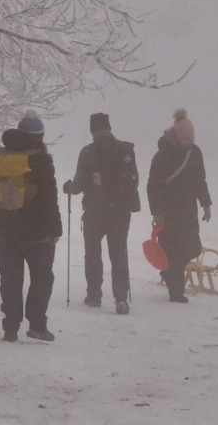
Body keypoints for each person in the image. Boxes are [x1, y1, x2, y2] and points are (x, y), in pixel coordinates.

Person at [0, 109, 62, 342]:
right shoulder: (40, 160)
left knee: (10, 278)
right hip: (36, 231)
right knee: (42, 276)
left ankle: (10, 327)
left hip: (4, 229)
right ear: (40, 137)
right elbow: (50, 197)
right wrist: (56, 229)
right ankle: (37, 325)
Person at [63, 112, 140, 314]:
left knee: (93, 253)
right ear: (109, 128)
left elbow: (78, 184)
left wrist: (68, 188)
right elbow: (135, 180)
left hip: (95, 212)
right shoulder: (126, 150)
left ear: (92, 131)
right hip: (121, 211)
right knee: (119, 252)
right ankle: (121, 298)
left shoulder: (88, 152)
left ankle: (95, 295)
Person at [147, 108, 212, 303]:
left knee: (193, 248)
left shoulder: (194, 152)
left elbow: (200, 179)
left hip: (188, 210)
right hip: (168, 212)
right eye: (185, 140)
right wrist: (156, 211)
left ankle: (168, 274)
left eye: (191, 139)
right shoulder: (162, 156)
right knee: (173, 252)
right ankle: (176, 292)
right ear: (175, 136)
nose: (188, 143)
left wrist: (206, 203)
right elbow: (152, 186)